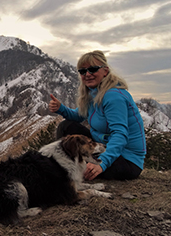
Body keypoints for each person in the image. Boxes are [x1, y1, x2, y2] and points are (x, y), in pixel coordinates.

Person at [48, 50, 146, 181]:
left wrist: (102, 163)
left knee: (77, 166)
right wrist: (61, 109)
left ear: (105, 71)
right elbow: (78, 116)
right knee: (66, 126)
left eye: (93, 69)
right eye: (82, 71)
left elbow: (120, 135)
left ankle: (64, 170)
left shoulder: (113, 96)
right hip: (102, 147)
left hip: (126, 159)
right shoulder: (93, 94)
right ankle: (64, 165)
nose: (87, 74)